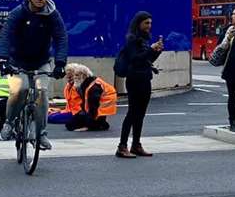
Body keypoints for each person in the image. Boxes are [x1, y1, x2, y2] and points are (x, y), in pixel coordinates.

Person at [0, 0, 68, 150]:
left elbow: (61, 37)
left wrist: (60, 63)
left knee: (42, 93)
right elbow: (5, 34)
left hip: (42, 61)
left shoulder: (52, 14)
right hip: (18, 61)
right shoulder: (18, 12)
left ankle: (41, 134)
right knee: (20, 90)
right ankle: (9, 123)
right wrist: (3, 60)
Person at [115, 11, 163, 158]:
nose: (149, 26)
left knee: (140, 114)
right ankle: (122, 146)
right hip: (134, 79)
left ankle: (136, 144)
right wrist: (150, 49)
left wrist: (156, 51)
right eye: (146, 23)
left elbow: (146, 60)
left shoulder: (143, 39)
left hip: (145, 78)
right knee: (132, 113)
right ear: (139, 24)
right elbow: (135, 59)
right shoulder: (132, 39)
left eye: (150, 23)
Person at [57, 63, 117, 132]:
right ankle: (99, 123)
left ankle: (97, 124)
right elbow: (85, 104)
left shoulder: (93, 87)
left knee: (71, 124)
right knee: (69, 125)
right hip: (82, 110)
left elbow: (93, 108)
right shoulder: (84, 85)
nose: (74, 78)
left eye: (76, 75)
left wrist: (88, 126)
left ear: (83, 75)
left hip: (99, 108)